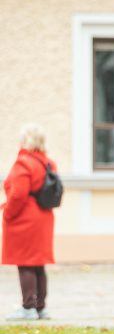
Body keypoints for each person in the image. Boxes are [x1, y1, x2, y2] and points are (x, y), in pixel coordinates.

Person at [1, 124, 58, 321]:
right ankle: (41, 307)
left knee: (25, 263)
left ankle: (27, 308)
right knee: (38, 264)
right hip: (43, 217)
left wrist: (7, 214)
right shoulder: (48, 163)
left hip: (25, 218)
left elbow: (17, 194)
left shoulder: (24, 163)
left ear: (26, 140)